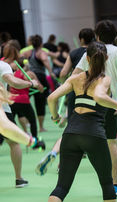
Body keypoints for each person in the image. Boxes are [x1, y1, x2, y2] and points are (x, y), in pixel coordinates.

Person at [36, 42, 117, 202]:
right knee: (107, 182)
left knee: (62, 186)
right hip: (94, 135)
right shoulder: (105, 79)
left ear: (87, 59)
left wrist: (55, 117)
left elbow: (51, 98)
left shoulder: (75, 78)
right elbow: (99, 97)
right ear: (106, 59)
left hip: (70, 135)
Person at [73, 20, 117, 196]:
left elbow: (75, 75)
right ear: (115, 36)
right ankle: (115, 184)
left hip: (88, 103)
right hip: (109, 104)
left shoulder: (91, 51)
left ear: (97, 36)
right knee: (112, 142)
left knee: (84, 140)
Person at [35, 28, 95, 176]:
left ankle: (57, 154)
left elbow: (63, 73)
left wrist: (66, 85)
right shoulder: (97, 51)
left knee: (71, 128)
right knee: (91, 129)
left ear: (81, 39)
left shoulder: (74, 53)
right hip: (94, 93)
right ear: (94, 38)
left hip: (74, 93)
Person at [0, 59, 39, 187]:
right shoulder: (3, 66)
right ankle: (19, 178)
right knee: (14, 142)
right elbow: (13, 82)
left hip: (7, 108)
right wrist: (31, 83)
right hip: (4, 111)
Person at [22, 35, 55, 132]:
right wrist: (51, 71)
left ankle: (28, 121)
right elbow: (45, 61)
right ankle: (40, 127)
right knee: (40, 103)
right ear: (41, 43)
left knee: (26, 99)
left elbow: (21, 58)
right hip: (40, 78)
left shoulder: (28, 52)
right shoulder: (41, 52)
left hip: (30, 78)